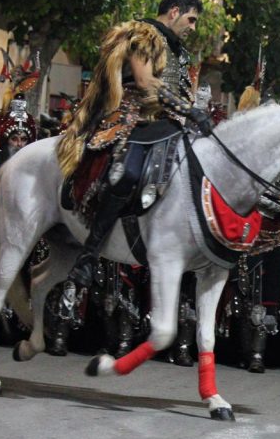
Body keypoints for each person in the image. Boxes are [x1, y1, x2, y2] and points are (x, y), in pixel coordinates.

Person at [60, 18, 210, 288]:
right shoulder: (144, 35)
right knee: (127, 173)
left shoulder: (178, 49)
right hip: (132, 114)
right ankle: (88, 256)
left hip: (166, 121)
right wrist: (187, 110)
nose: (193, 27)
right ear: (175, 11)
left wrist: (192, 112)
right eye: (191, 19)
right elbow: (144, 80)